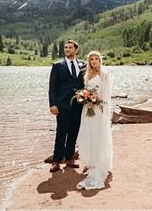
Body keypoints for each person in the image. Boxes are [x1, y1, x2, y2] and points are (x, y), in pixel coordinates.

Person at [76, 51, 113, 190]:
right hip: (87, 110)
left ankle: (99, 162)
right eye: (91, 59)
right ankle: (91, 161)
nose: (94, 61)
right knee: (88, 133)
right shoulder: (87, 75)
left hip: (98, 111)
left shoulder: (104, 75)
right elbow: (85, 90)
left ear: (100, 60)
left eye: (96, 59)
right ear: (89, 61)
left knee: (98, 134)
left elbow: (106, 95)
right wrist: (84, 98)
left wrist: (96, 102)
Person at [48, 40, 85, 172]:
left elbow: (85, 84)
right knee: (61, 132)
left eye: (70, 47)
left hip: (78, 105)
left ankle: (69, 158)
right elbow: (52, 87)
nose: (67, 49)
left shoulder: (83, 65)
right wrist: (53, 104)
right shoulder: (57, 66)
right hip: (62, 105)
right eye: (65, 47)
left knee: (74, 131)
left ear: (76, 50)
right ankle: (56, 160)